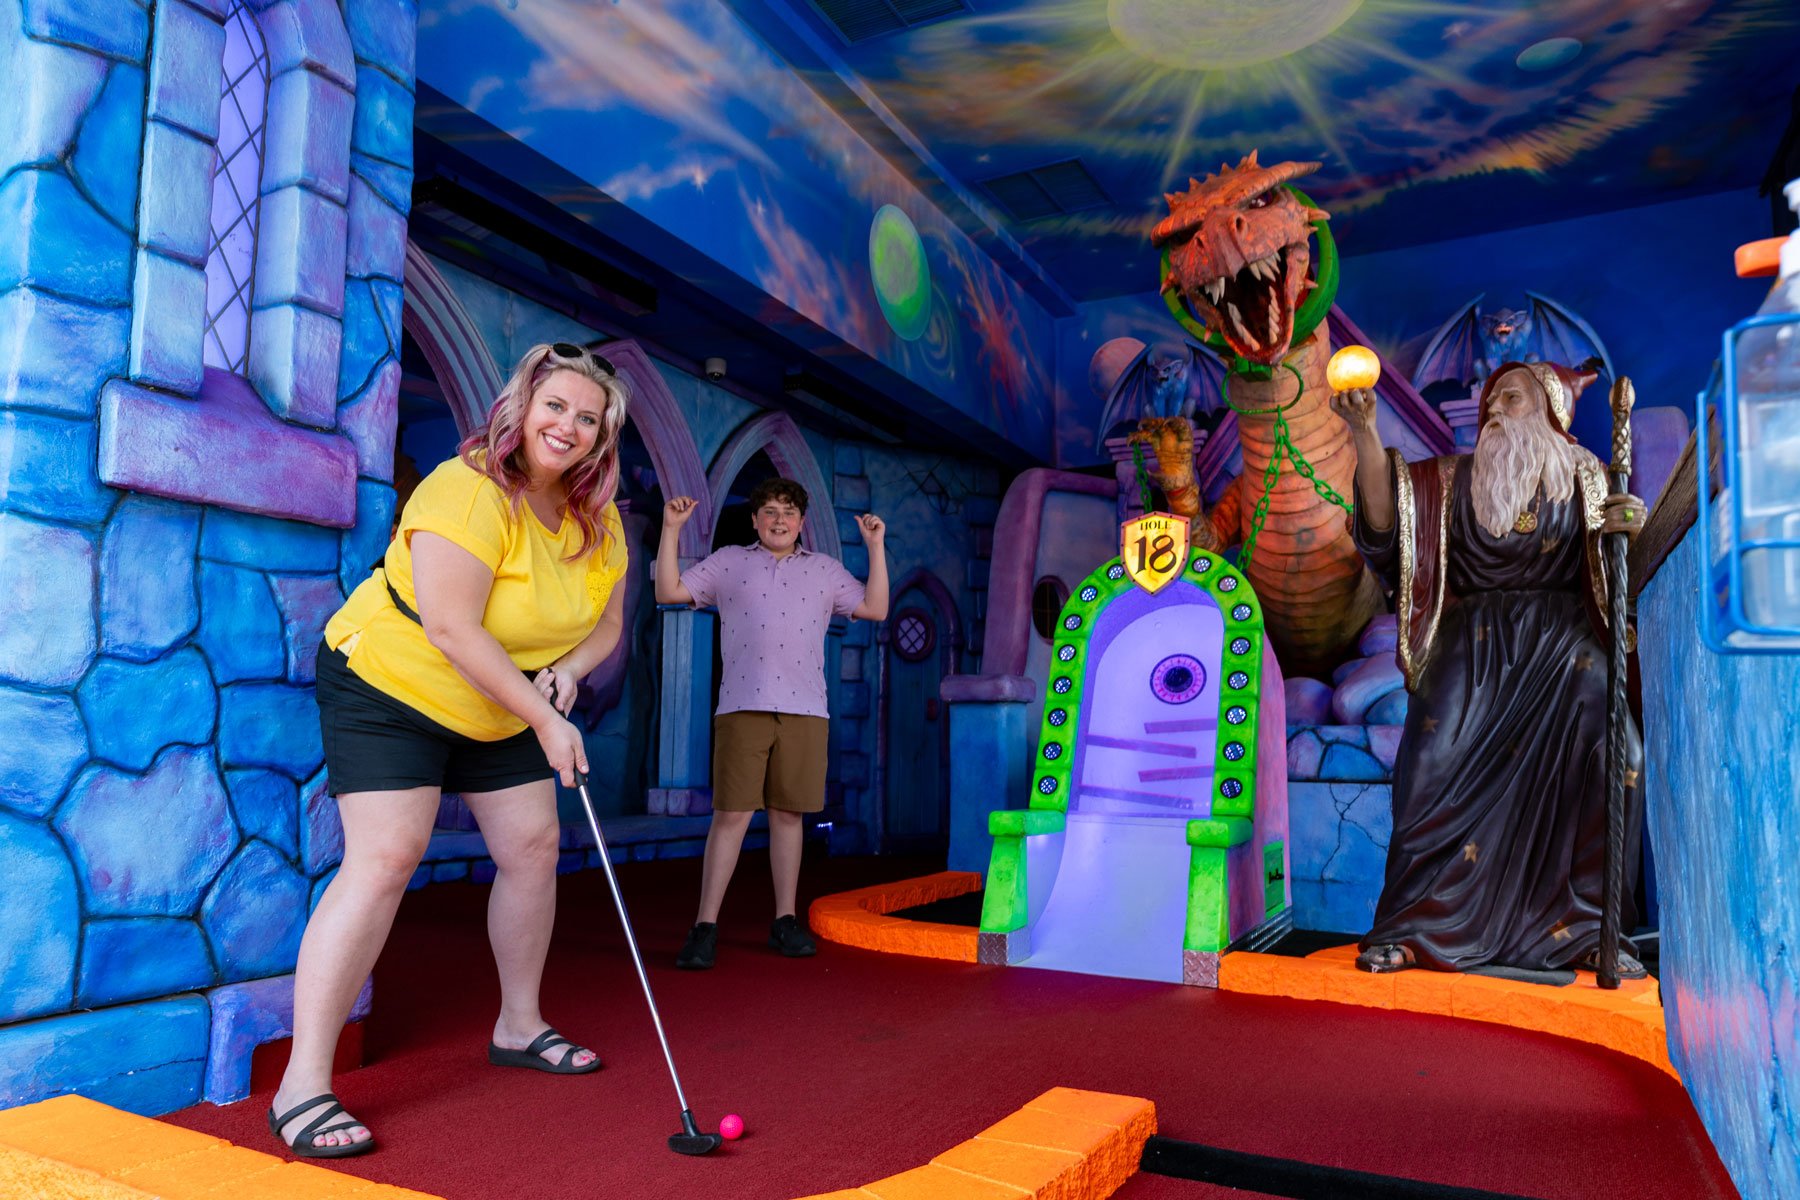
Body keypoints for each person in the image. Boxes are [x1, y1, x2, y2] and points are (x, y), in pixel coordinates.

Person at [270, 343, 631, 1157]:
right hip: (394, 685)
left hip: (497, 702)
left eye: (588, 418)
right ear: (522, 407)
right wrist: (544, 721)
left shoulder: (597, 520)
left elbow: (608, 617)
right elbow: (450, 627)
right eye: (556, 407)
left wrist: (568, 672)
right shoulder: (467, 489)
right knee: (388, 856)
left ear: (605, 437)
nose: (568, 427)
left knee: (535, 846)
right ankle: (303, 1086)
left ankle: (519, 1024)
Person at [1332, 361, 1649, 978]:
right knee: (1429, 765)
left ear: (1550, 409)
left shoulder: (1585, 474)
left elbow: (1612, 571)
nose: (1494, 409)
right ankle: (1412, 924)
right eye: (1488, 402)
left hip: (1566, 648)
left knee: (1619, 754)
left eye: (1511, 396)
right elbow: (1386, 525)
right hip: (1472, 649)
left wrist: (1625, 526)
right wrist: (1365, 433)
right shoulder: (1456, 479)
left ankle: (1588, 927)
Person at [654, 479, 888, 969]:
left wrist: (875, 546)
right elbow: (670, 590)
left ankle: (785, 921)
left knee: (788, 816)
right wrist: (671, 529)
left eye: (788, 512)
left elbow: (876, 607)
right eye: (769, 511)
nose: (779, 520)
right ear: (755, 520)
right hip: (741, 706)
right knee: (731, 816)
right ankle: (704, 927)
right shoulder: (729, 562)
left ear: (802, 522)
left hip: (806, 710)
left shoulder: (825, 570)